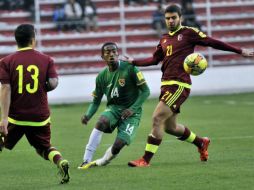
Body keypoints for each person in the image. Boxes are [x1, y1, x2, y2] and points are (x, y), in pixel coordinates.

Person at [123, 4, 254, 167]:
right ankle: (201, 142)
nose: (170, 21)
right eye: (167, 18)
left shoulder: (188, 33)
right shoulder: (163, 39)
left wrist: (239, 50)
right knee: (170, 127)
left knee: (157, 118)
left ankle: (145, 160)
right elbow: (154, 59)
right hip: (166, 85)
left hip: (179, 85)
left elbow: (212, 42)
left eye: (173, 18)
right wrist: (134, 62)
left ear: (180, 18)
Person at [0, 24, 70, 183]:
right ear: (33, 39)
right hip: (40, 116)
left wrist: (4, 118)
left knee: (0, 141)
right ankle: (60, 161)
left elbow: (5, 88)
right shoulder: (46, 59)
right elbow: (53, 82)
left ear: (16, 40)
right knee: (43, 148)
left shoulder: (6, 61)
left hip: (16, 117)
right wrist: (43, 87)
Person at [78, 42, 150, 169]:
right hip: (114, 109)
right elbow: (96, 101)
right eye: (107, 52)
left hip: (133, 113)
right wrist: (88, 115)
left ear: (118, 53)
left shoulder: (130, 68)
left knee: (118, 145)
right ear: (102, 57)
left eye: (114, 51)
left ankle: (101, 162)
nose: (111, 54)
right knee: (101, 122)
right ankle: (86, 160)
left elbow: (146, 91)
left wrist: (132, 109)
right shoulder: (101, 77)